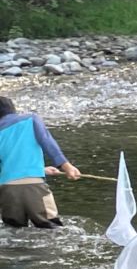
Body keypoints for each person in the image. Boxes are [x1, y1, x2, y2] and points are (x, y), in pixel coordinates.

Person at [0, 97, 81, 228]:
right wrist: (66, 166)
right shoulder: (30, 119)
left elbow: (5, 165)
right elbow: (48, 142)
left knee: (13, 231)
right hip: (34, 186)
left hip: (7, 190)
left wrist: (41, 169)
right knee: (52, 229)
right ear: (13, 109)